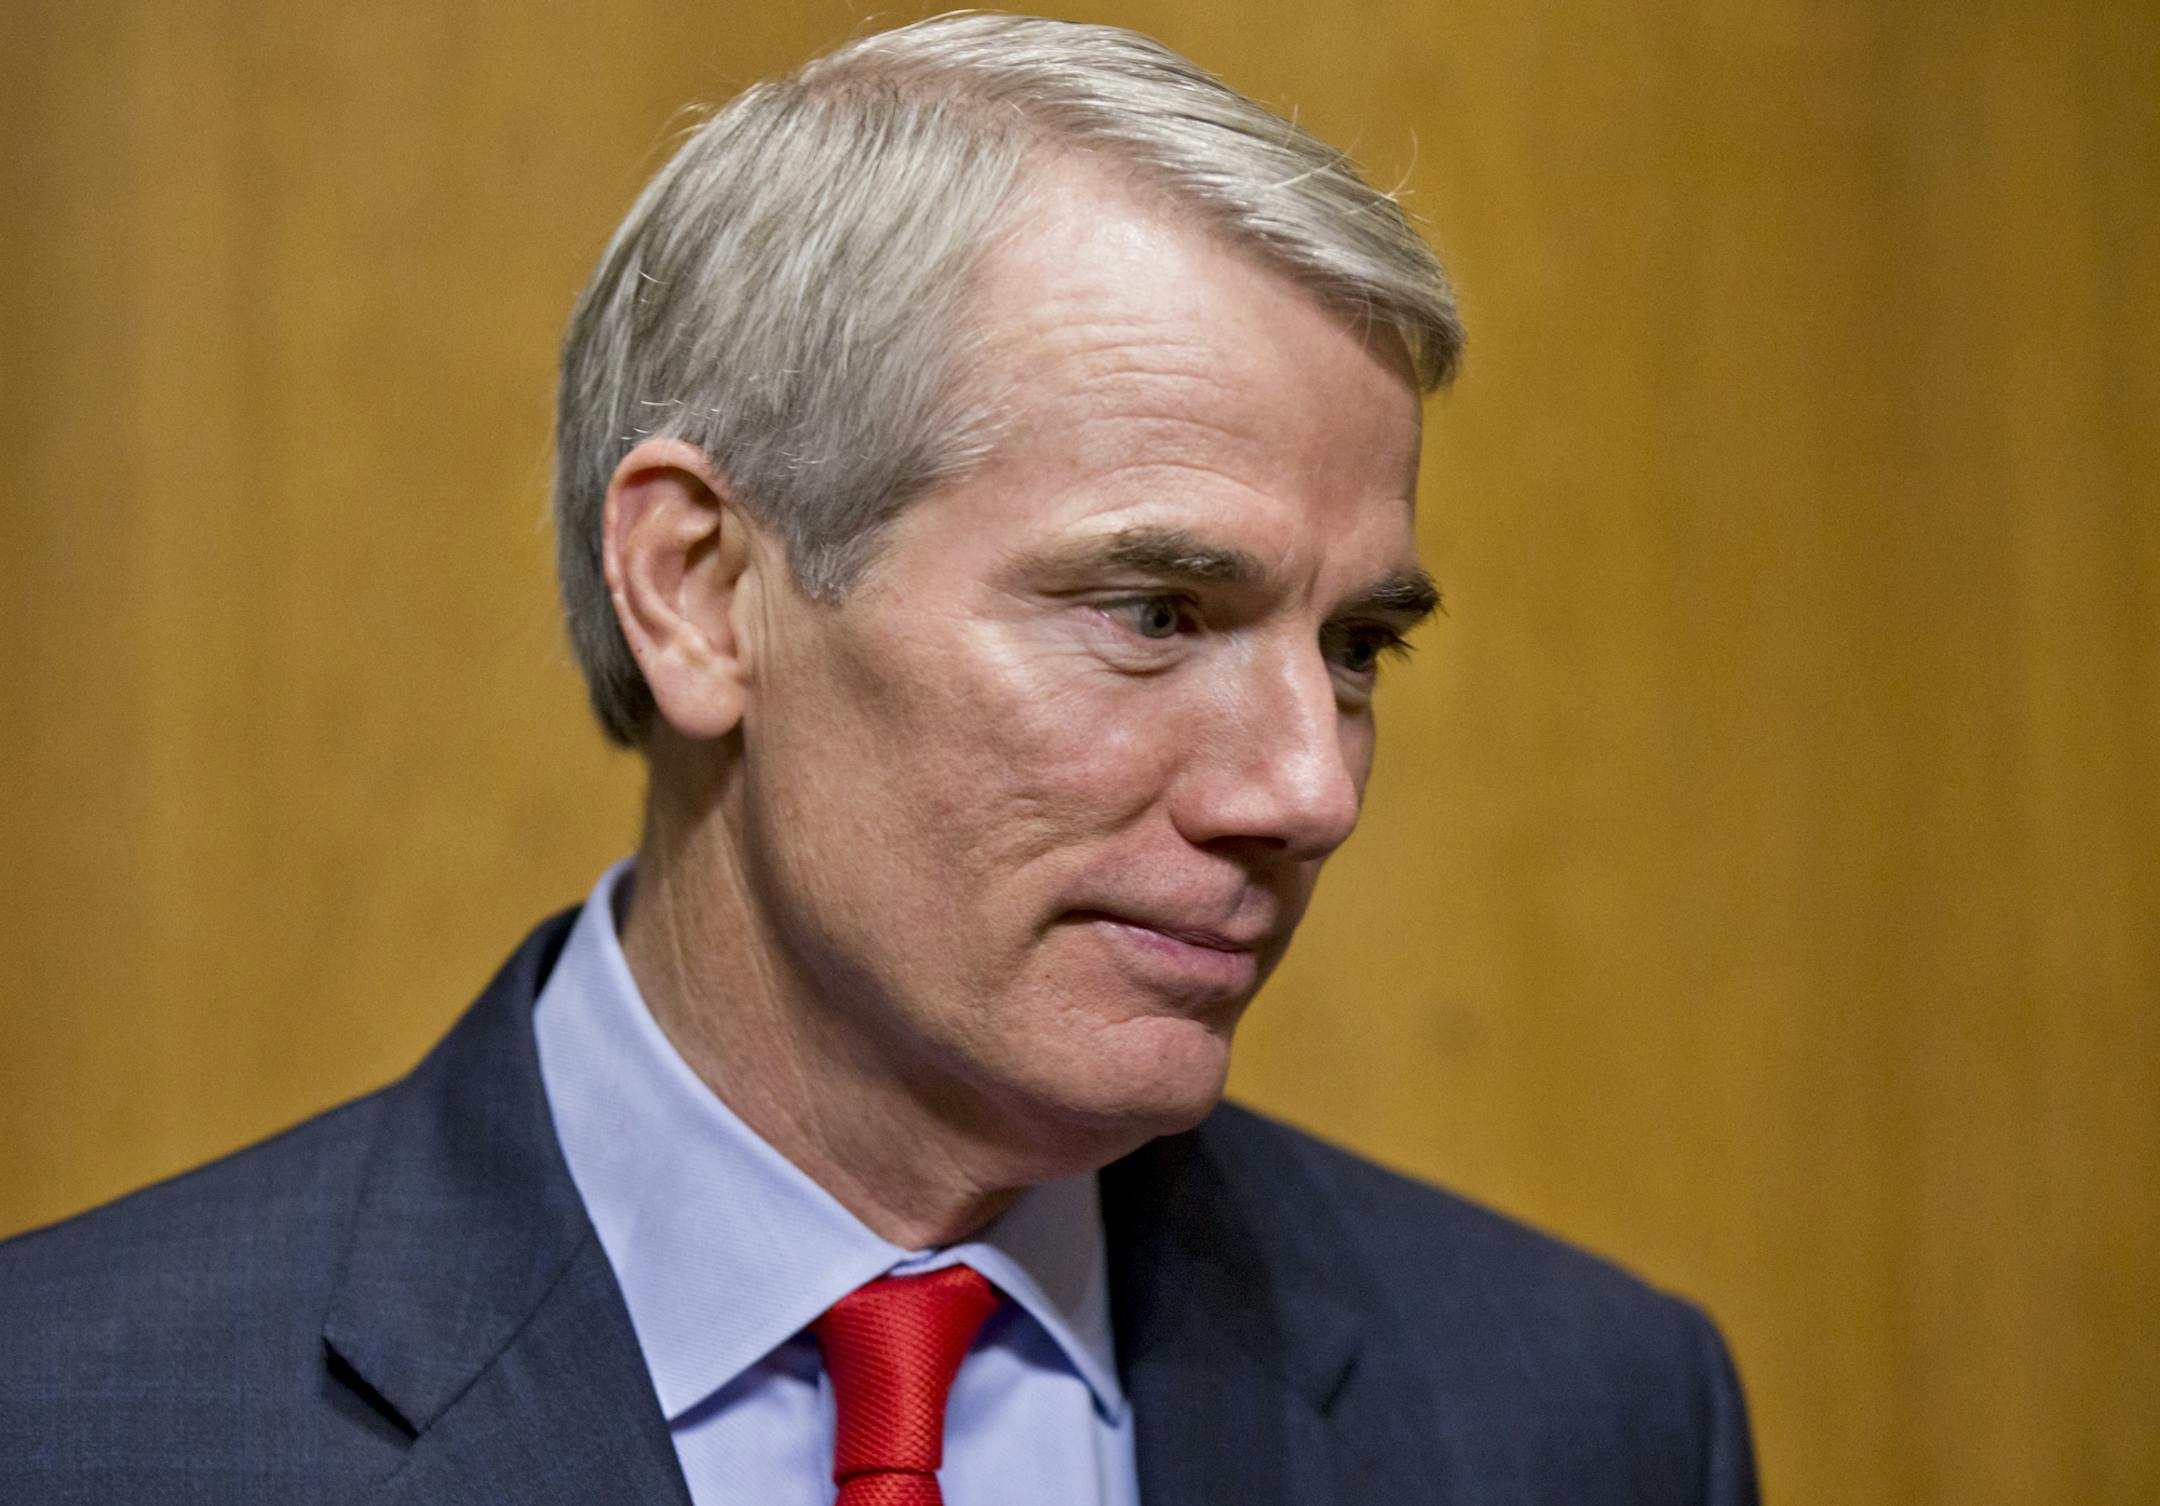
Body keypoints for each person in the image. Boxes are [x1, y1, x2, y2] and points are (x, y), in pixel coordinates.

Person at [0, 14, 1758, 1504]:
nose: (1310, 790)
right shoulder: (74, 1422)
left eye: (1356, 646)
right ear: (702, 592)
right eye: (1151, 610)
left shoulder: (1583, 1416)